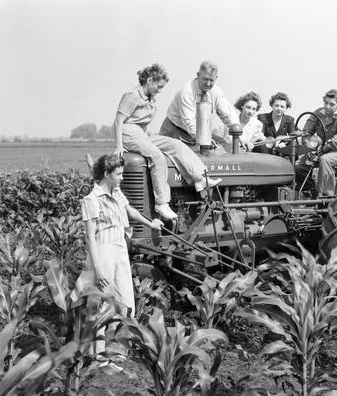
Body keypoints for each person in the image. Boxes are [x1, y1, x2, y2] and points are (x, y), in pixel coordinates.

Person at [81, 153, 164, 357]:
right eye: (118, 174)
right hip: (103, 252)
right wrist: (99, 269)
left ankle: (117, 351)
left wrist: (150, 223)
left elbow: (129, 210)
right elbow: (90, 238)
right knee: (101, 306)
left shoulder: (116, 192)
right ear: (107, 174)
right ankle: (99, 355)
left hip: (120, 250)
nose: (122, 178)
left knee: (126, 303)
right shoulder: (91, 200)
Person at [114, 63, 221, 221]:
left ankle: (201, 179)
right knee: (157, 156)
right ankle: (162, 202)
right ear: (149, 80)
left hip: (141, 134)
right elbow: (118, 121)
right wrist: (119, 145)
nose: (160, 90)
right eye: (159, 86)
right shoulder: (132, 95)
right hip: (128, 132)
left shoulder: (150, 99)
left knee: (176, 144)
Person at [159, 60, 238, 145]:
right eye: (205, 79)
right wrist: (204, 140)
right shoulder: (187, 91)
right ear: (198, 75)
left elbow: (229, 115)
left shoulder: (216, 93)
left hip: (198, 133)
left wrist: (237, 136)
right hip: (174, 131)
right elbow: (189, 123)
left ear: (216, 78)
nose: (208, 84)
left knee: (225, 144)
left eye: (211, 80)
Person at [295, 89, 337, 196]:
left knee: (325, 160)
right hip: (320, 151)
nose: (327, 106)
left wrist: (326, 146)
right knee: (298, 166)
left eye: (332, 104)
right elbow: (306, 132)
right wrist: (310, 147)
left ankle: (327, 196)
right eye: (326, 103)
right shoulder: (318, 113)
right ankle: (312, 189)